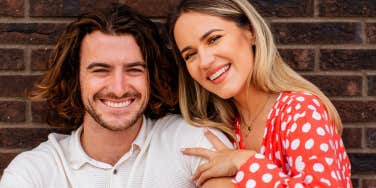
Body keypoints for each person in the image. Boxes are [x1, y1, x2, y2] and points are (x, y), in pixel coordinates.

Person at [0, 4, 234, 188]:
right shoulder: (33, 172)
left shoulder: (192, 141)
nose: (119, 88)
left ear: (151, 77)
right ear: (75, 78)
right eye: (101, 70)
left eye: (134, 69)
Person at [167, 0, 352, 187]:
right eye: (190, 55)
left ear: (251, 32)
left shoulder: (300, 110)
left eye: (214, 39)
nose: (204, 61)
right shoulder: (226, 127)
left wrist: (244, 162)